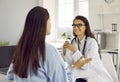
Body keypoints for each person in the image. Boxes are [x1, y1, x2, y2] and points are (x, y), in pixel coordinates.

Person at [7, 6, 92, 82]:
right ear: (44, 24)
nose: (51, 24)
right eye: (49, 20)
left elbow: (10, 76)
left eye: (79, 25)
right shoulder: (49, 51)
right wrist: (75, 67)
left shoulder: (21, 49)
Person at [63, 15, 114, 82]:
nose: (76, 27)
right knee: (65, 76)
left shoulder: (91, 42)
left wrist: (75, 50)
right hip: (82, 73)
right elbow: (71, 63)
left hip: (94, 73)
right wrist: (65, 52)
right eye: (74, 25)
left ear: (86, 27)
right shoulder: (73, 41)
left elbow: (86, 66)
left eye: (79, 25)